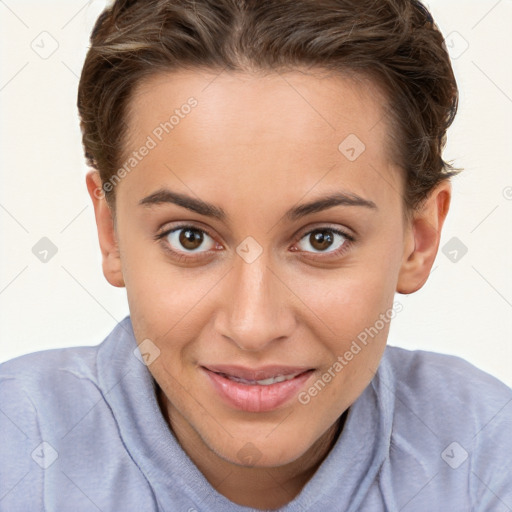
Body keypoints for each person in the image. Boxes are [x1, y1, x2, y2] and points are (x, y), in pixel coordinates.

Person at [1, 0, 511, 510]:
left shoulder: (486, 455)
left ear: (417, 238)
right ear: (110, 231)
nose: (252, 327)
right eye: (190, 237)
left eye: (322, 239)